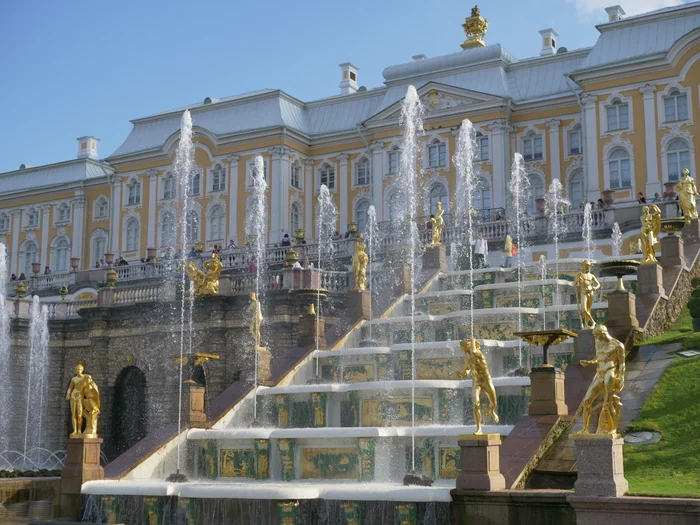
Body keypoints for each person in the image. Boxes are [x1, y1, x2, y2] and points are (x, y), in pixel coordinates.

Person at [576, 324, 626, 436]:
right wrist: (589, 362)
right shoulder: (598, 342)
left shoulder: (618, 345)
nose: (595, 338)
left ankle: (612, 429)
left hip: (610, 372)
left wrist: (621, 378)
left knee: (607, 403)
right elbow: (598, 358)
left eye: (597, 336)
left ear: (603, 334)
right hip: (599, 374)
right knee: (587, 400)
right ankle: (585, 429)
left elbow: (622, 364)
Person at [457, 338, 499, 435]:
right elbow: (466, 373)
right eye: (464, 347)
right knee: (476, 404)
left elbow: (474, 352)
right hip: (476, 382)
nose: (464, 348)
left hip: (486, 380)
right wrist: (460, 374)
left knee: (493, 402)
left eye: (466, 346)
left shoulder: (478, 353)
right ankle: (479, 428)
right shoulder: (468, 360)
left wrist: (472, 340)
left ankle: (492, 411)